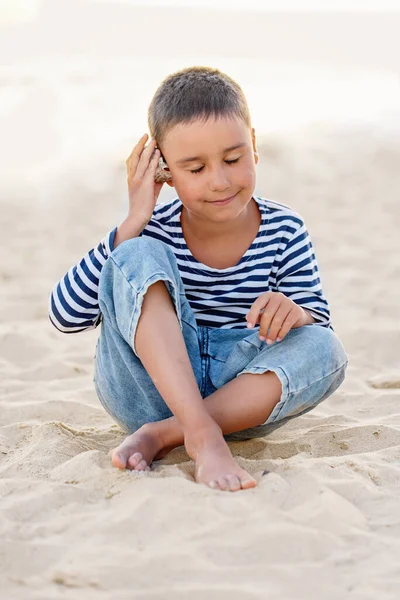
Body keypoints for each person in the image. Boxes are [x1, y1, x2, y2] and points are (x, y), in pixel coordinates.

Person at [49, 66, 348, 493]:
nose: (220, 181)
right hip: (149, 397)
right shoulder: (151, 230)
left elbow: (313, 335)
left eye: (233, 159)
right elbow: (64, 316)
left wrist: (295, 313)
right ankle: (202, 436)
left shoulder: (285, 229)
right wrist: (133, 221)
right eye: (195, 168)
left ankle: (169, 434)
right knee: (136, 253)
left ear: (254, 146)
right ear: (164, 170)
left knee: (327, 345)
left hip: (241, 407)